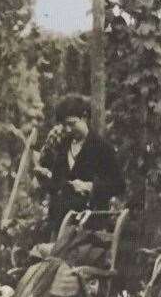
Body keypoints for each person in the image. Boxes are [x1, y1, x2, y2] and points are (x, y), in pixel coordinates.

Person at [33, 94, 125, 239]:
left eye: (72, 123)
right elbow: (58, 183)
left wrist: (90, 187)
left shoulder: (101, 147)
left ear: (84, 117)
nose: (68, 129)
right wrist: (46, 179)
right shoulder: (64, 145)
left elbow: (119, 185)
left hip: (90, 224)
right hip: (60, 222)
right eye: (64, 125)